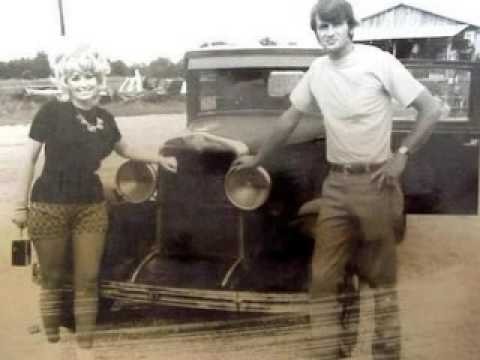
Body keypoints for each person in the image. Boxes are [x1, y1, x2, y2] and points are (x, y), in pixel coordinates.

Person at [233, 0, 444, 358]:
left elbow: (431, 108)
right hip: (336, 187)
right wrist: (258, 158)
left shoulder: (378, 62)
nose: (328, 33)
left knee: (380, 282)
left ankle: (386, 353)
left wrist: (401, 156)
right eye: (321, 28)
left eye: (334, 25)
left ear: (350, 26)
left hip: (375, 184)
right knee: (322, 280)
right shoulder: (317, 70)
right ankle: (329, 352)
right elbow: (289, 120)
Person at [11, 45, 177, 359]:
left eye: (89, 76)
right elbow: (28, 160)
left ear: (98, 79)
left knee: (88, 279)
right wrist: (20, 206)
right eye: (76, 77)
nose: (84, 83)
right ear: (66, 82)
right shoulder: (51, 112)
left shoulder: (105, 118)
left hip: (91, 207)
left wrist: (159, 158)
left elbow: (125, 149)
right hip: (48, 206)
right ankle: (52, 347)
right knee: (53, 278)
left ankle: (85, 350)